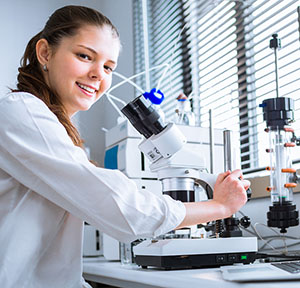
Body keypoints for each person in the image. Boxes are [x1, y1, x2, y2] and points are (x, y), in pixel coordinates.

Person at [0, 5, 250, 288]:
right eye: (84, 56)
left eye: (108, 67)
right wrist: (219, 206)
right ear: (45, 52)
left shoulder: (53, 127)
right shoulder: (21, 111)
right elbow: (118, 206)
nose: (98, 75)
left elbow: (55, 268)